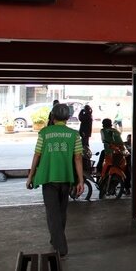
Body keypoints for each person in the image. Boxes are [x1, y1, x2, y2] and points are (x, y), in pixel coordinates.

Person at [26, 103, 84, 257]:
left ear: (53, 116)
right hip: (66, 178)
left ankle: (61, 247)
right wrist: (80, 180)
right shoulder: (74, 135)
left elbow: (37, 155)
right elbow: (78, 158)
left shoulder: (44, 133)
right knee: (61, 211)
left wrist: (30, 176)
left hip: (48, 178)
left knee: (53, 213)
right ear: (67, 117)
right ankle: (55, 239)